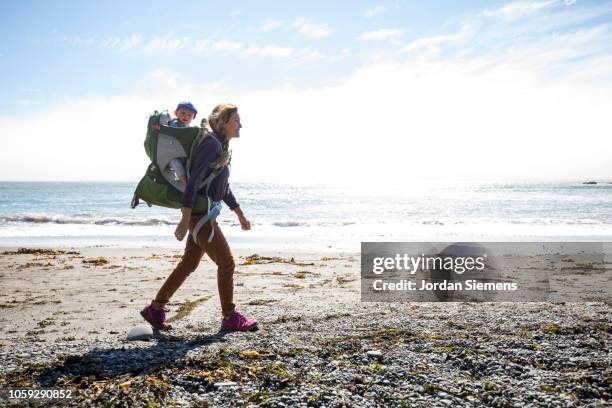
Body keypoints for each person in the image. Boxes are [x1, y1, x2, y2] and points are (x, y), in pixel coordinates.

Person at [141, 103, 257, 332]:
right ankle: (230, 316)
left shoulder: (220, 146)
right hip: (200, 215)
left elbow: (222, 186)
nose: (240, 124)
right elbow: (193, 181)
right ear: (223, 122)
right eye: (236, 120)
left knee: (188, 264)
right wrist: (185, 218)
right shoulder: (211, 145)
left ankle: (155, 309)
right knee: (226, 263)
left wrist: (239, 213)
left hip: (203, 213)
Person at [168, 101, 198, 186]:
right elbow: (176, 132)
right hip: (171, 155)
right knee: (176, 164)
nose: (186, 116)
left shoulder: (188, 127)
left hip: (184, 155)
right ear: (176, 113)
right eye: (183, 113)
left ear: (193, 118)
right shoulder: (175, 123)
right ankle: (185, 184)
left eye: (189, 115)